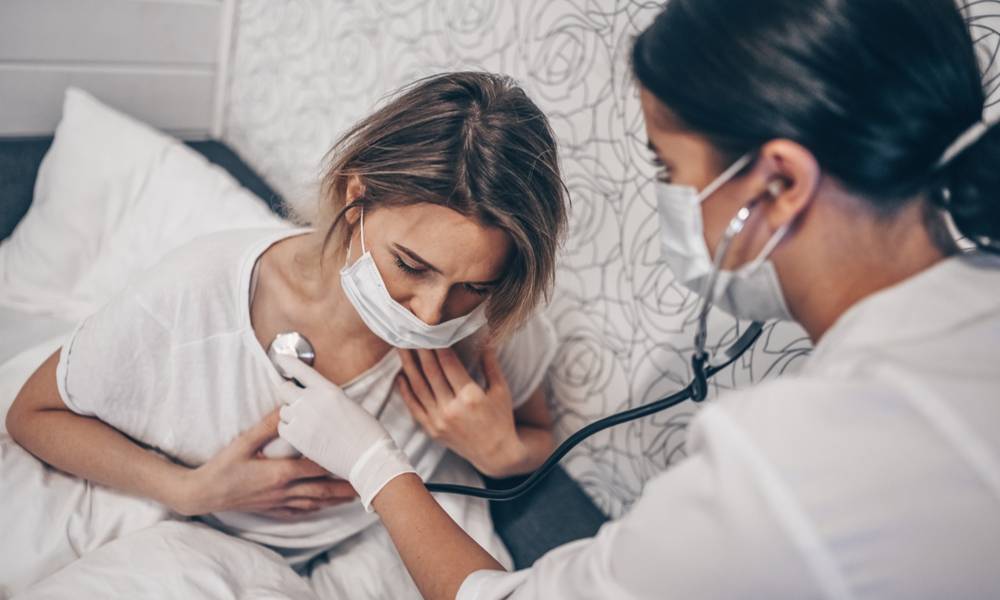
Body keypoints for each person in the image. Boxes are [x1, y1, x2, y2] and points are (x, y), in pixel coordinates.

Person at [272, 0, 1000, 598]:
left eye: (669, 168)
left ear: (778, 186)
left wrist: (374, 463)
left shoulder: (785, 463)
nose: (433, 313)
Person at [5, 71, 568, 594]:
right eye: (410, 265)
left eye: (472, 286)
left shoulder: (487, 322)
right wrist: (188, 489)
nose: (430, 315)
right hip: (177, 532)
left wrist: (502, 454)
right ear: (357, 197)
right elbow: (31, 414)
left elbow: (537, 432)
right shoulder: (200, 289)